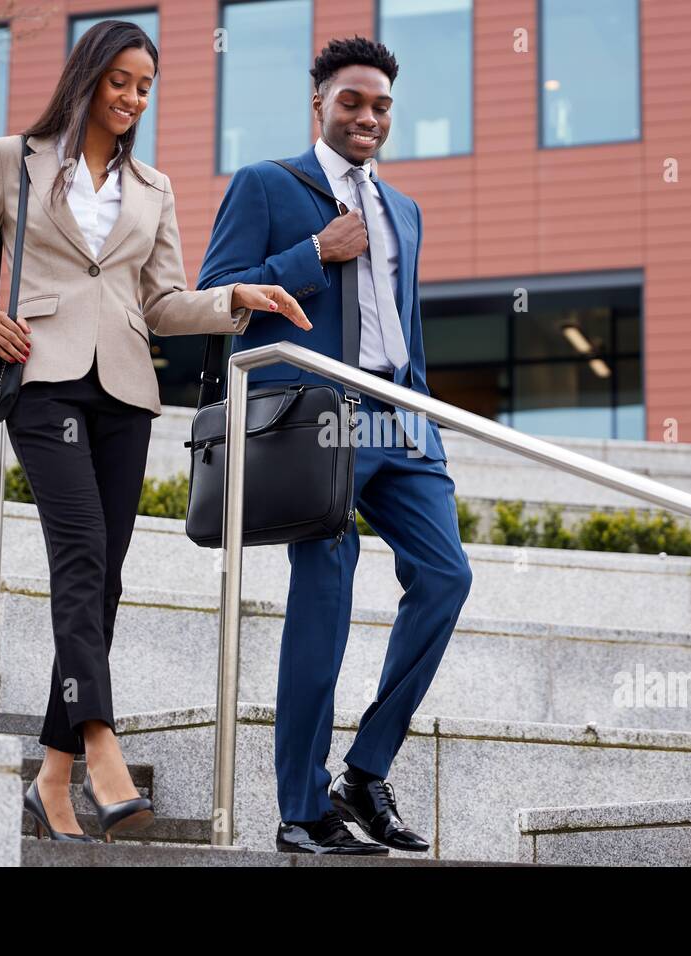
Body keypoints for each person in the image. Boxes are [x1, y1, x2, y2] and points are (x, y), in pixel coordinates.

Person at [0, 20, 307, 843]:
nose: (133, 98)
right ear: (89, 76)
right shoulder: (12, 159)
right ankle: (101, 741)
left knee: (106, 583)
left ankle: (50, 780)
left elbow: (163, 303)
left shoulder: (155, 188)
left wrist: (236, 300)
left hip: (126, 392)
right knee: (81, 556)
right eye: (121, 82)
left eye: (146, 86)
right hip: (40, 378)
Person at [198, 36, 472, 855]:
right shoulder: (268, 184)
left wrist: (423, 410)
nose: (368, 117)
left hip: (398, 417)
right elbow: (218, 298)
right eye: (352, 101)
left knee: (447, 576)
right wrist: (314, 253)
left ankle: (366, 769)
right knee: (326, 593)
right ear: (319, 103)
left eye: (381, 105)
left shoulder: (406, 209)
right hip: (321, 419)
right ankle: (301, 807)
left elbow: (403, 322)